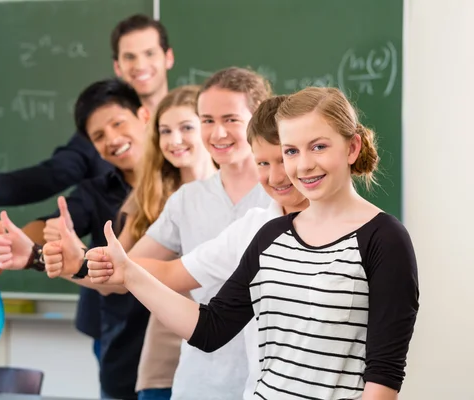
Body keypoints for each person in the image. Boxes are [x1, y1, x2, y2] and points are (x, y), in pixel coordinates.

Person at [85, 86, 420, 400]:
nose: (303, 164)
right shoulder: (270, 234)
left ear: (352, 147)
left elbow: (384, 373)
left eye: (318, 146)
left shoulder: (384, 239)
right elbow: (210, 328)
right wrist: (131, 274)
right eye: (291, 150)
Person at [0, 13, 174, 374]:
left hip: (187, 314)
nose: (112, 139)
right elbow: (57, 188)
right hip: (118, 322)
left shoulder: (195, 138)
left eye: (148, 53)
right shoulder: (98, 139)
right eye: (129, 57)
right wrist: (10, 222)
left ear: (168, 58)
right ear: (118, 65)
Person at [68, 67, 273, 399]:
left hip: (269, 380)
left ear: (259, 116)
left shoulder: (283, 198)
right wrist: (68, 260)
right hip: (200, 380)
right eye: (207, 120)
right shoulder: (187, 200)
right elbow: (130, 270)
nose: (217, 132)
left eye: (230, 119)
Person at [45, 85, 216, 400]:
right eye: (165, 131)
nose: (175, 140)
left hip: (232, 356)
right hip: (167, 360)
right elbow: (121, 273)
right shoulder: (158, 200)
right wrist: (64, 262)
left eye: (187, 127)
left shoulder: (247, 191)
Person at [0, 77, 152, 400]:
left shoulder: (183, 183)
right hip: (122, 346)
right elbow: (56, 225)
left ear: (143, 116)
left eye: (119, 123)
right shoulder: (95, 191)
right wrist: (30, 249)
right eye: (99, 136)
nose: (113, 139)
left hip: (182, 345)